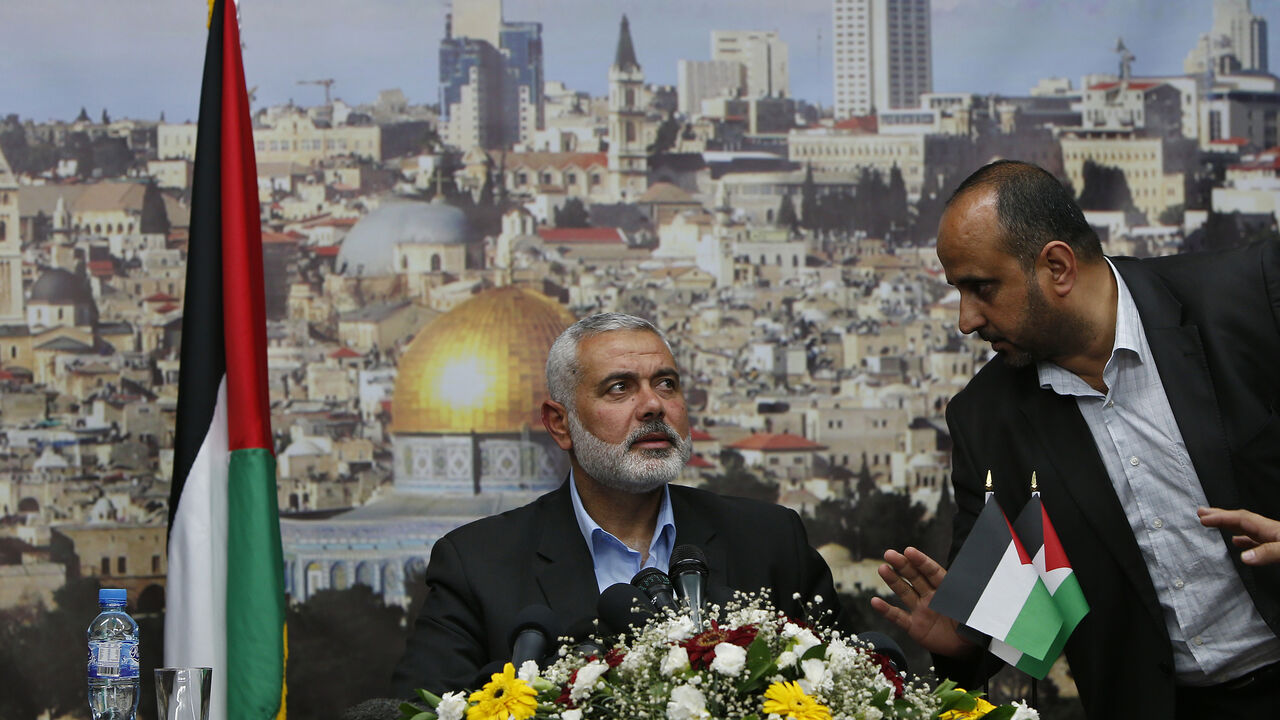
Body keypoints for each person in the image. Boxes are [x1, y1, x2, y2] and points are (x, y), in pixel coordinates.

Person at [872, 160, 1280, 719]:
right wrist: (965, 642)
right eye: (958, 291)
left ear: (1058, 267)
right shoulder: (985, 419)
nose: (966, 319)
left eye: (981, 288)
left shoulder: (1250, 298)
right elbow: (1002, 612)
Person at [391, 313, 842, 696]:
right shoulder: (478, 563)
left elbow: (852, 683)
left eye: (666, 384)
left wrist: (913, 646)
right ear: (560, 423)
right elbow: (417, 706)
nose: (652, 406)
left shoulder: (769, 539)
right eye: (619, 389)